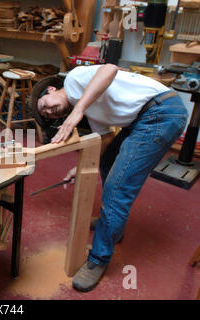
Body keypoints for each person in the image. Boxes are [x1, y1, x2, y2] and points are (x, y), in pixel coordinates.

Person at [36, 64, 188, 292]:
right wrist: (81, 167)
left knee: (118, 189)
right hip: (143, 118)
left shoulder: (74, 80)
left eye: (44, 106)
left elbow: (109, 69)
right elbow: (105, 139)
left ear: (50, 89)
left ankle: (98, 259)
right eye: (45, 115)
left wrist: (78, 111)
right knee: (108, 161)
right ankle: (112, 224)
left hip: (161, 113)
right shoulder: (89, 108)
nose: (49, 112)